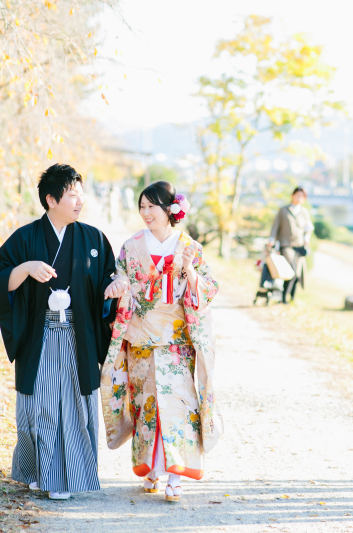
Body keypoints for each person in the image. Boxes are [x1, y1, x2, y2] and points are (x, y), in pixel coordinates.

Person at [0, 164, 117, 500]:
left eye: (80, 195)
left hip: (77, 336)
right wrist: (26, 268)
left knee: (74, 405)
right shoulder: (26, 238)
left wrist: (113, 288)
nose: (79, 201)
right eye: (72, 195)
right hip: (40, 335)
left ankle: (64, 478)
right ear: (51, 200)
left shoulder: (93, 239)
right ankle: (37, 470)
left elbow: (107, 280)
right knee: (39, 404)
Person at [101, 181, 223, 503]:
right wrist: (119, 285)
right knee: (147, 404)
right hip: (141, 338)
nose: (145, 213)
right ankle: (153, 469)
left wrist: (189, 270)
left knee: (177, 404)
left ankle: (175, 475)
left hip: (176, 340)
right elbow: (121, 275)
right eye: (142, 207)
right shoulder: (131, 246)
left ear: (170, 209)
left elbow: (208, 288)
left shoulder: (189, 247)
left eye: (151, 206)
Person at [268, 187, 314, 303]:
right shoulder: (284, 210)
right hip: (286, 244)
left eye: (302, 197)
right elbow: (275, 227)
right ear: (292, 196)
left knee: (298, 273)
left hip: (299, 246)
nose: (299, 198)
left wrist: (307, 238)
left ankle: (291, 298)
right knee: (291, 270)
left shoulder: (304, 212)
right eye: (297, 195)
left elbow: (308, 228)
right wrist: (271, 239)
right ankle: (283, 298)